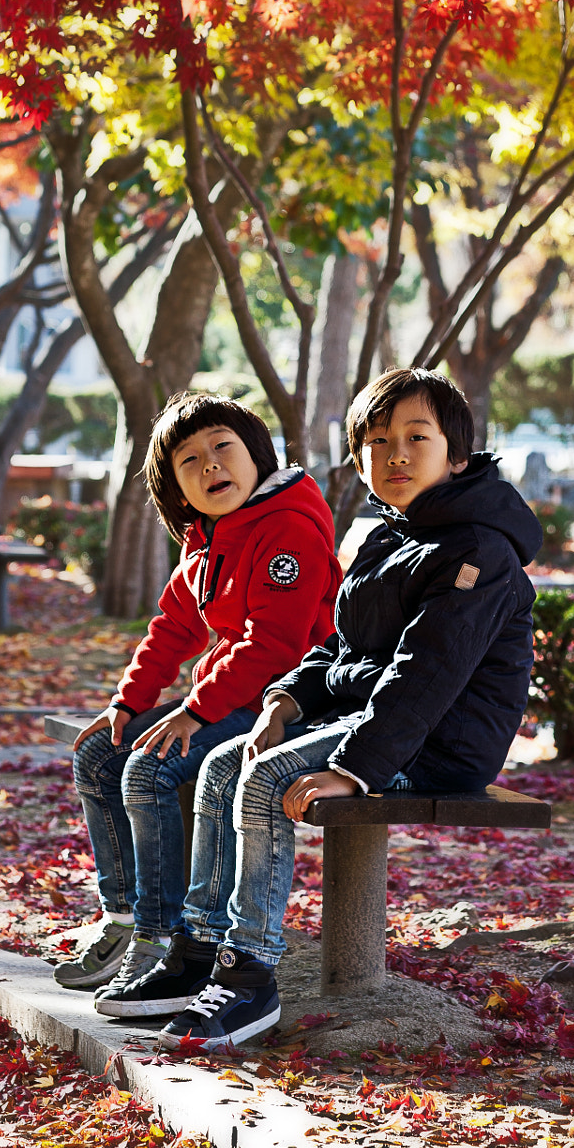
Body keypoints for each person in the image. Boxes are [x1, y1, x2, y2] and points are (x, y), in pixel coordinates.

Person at [108, 366, 540, 1049]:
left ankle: (249, 976)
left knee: (261, 778)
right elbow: (340, 644)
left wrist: (354, 769)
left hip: (435, 746)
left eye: (414, 438)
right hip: (376, 727)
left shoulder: (477, 552)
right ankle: (196, 953)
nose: (393, 454)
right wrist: (287, 700)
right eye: (375, 442)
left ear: (455, 455)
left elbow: (424, 679)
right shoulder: (389, 536)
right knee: (225, 762)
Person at [52, 392, 341, 1005]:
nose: (210, 465)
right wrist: (128, 704)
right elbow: (173, 627)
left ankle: (167, 941)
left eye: (222, 448)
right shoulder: (206, 538)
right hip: (226, 699)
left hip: (287, 706)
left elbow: (276, 646)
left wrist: (194, 711)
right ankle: (127, 917)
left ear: (257, 456)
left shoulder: (289, 528)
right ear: (177, 489)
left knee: (151, 768)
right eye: (190, 460)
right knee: (102, 754)